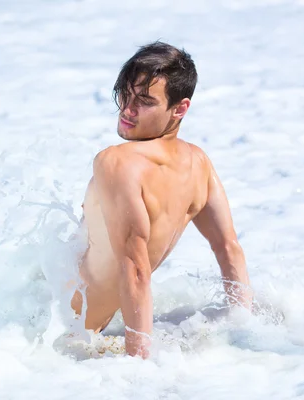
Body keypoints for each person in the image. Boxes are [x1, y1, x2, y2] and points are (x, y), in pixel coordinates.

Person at [70, 42, 252, 359]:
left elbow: (135, 269)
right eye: (125, 93)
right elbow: (229, 248)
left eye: (144, 101)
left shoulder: (118, 162)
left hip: (45, 327)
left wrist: (137, 364)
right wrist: (244, 327)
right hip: (75, 326)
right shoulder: (198, 163)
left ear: (180, 108)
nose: (127, 108)